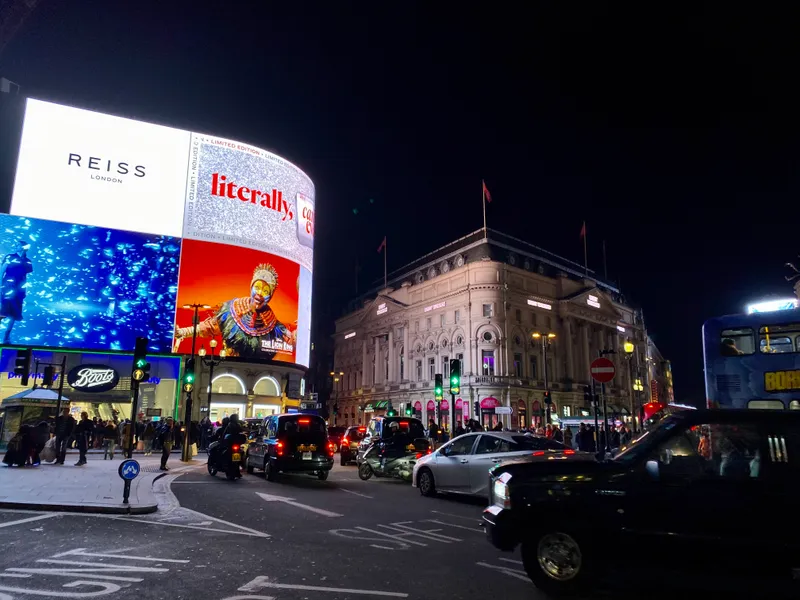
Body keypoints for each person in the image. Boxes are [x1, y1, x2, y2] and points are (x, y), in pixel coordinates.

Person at [174, 263, 296, 359]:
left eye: (265, 291)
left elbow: (291, 342)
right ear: (251, 287)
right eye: (257, 287)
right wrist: (184, 331)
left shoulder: (274, 327)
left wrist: (301, 332)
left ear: (271, 295)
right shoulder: (230, 310)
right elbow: (210, 326)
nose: (259, 294)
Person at [0, 239, 33, 344]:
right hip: (7, 287)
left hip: (19, 290)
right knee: (3, 310)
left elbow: (25, 276)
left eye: (18, 245)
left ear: (24, 247)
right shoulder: (10, 257)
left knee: (14, 313)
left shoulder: (28, 261)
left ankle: (6, 336)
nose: (15, 246)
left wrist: (24, 290)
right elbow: (2, 271)